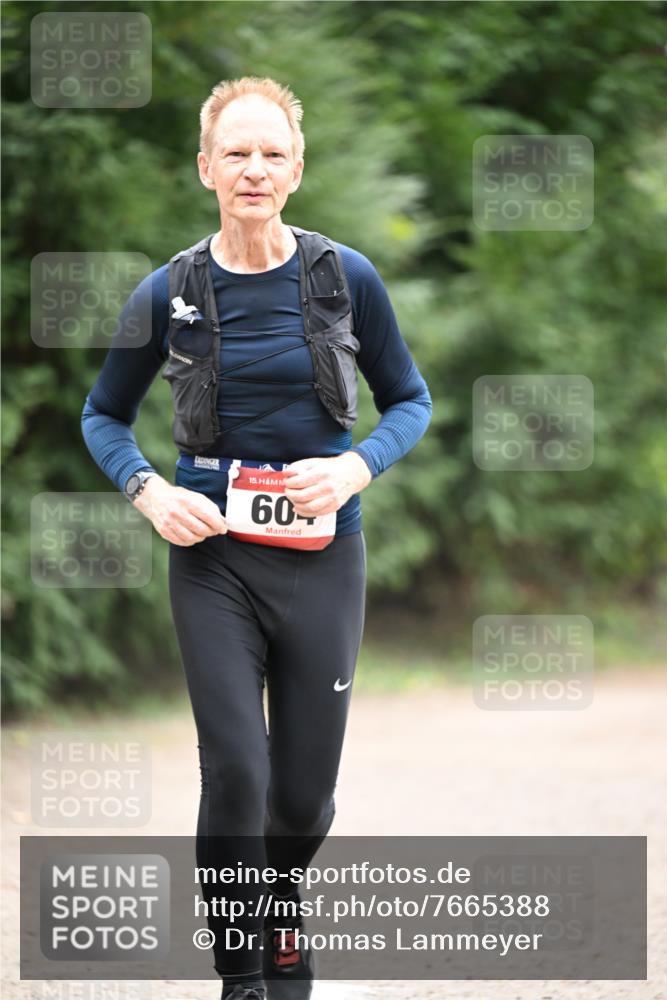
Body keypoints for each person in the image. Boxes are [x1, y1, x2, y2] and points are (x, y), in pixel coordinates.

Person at [81, 75, 432, 1000]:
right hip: (212, 564)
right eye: (235, 152)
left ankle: (280, 907)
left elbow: (411, 400)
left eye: (272, 152)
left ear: (297, 169)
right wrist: (148, 489)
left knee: (302, 798)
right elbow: (102, 416)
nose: (253, 168)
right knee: (234, 766)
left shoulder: (343, 277)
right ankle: (241, 977)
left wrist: (357, 466)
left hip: (323, 559)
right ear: (205, 168)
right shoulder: (168, 290)